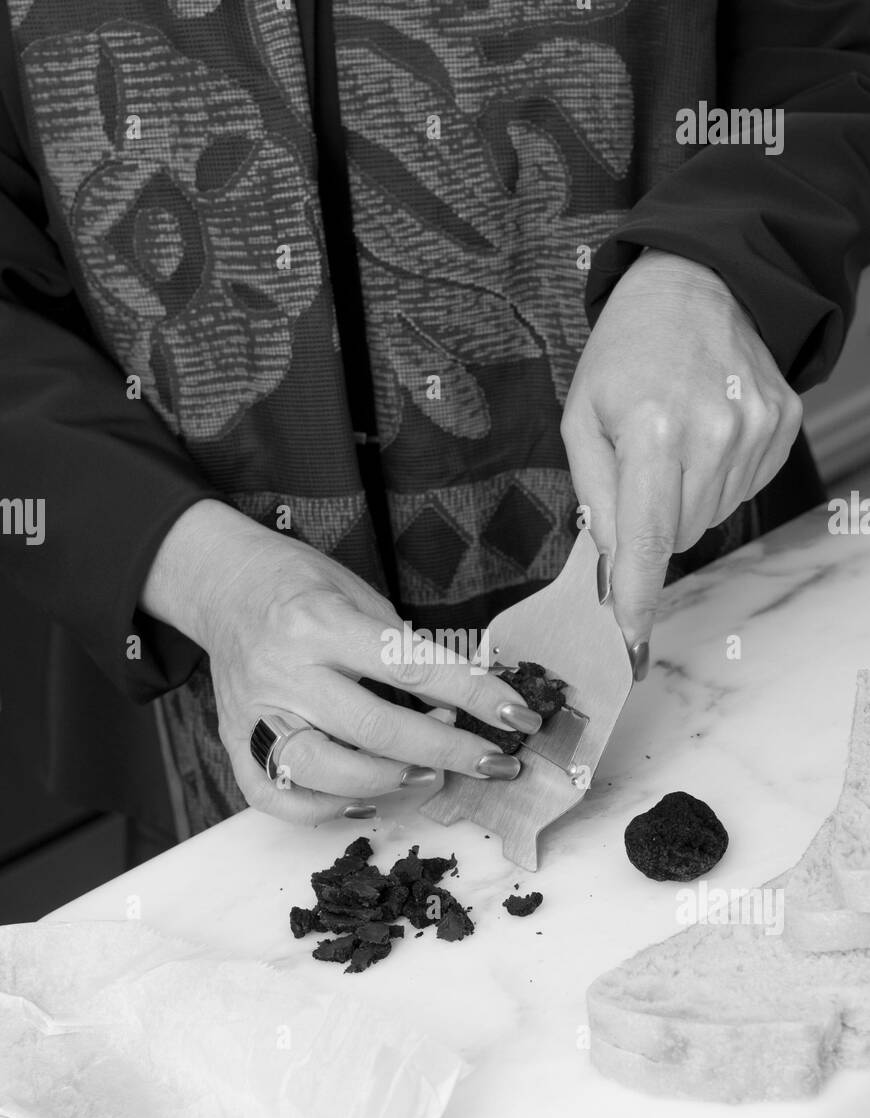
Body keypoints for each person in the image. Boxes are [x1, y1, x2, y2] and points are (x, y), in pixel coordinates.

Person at [1, 0, 869, 842]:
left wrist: (719, 257)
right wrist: (213, 582)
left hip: (704, 596)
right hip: (212, 660)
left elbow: (831, 39)